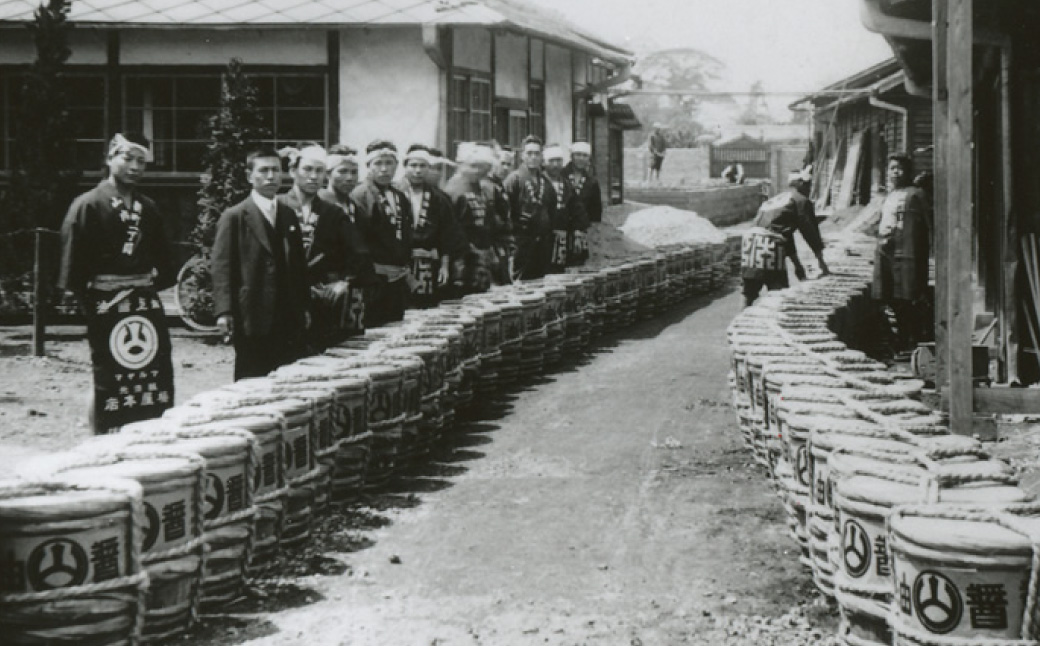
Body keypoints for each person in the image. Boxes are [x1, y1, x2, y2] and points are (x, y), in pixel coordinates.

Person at [58, 132, 176, 433]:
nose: (135, 166)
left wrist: (148, 284)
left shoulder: (148, 207)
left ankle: (148, 432)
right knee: (110, 374)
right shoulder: (88, 204)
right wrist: (86, 299)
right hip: (105, 300)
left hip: (143, 301)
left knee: (150, 370)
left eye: (141, 161)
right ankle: (102, 433)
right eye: (127, 158)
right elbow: (73, 262)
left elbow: (165, 260)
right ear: (110, 159)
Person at [211, 147, 309, 380]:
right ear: (249, 176)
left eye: (276, 170)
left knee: (287, 376)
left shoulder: (287, 214)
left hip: (287, 313)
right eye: (263, 170)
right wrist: (224, 312)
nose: (270, 176)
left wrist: (304, 306)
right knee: (252, 376)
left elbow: (298, 266)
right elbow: (222, 266)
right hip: (252, 314)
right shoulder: (235, 216)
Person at [278, 143, 373, 348]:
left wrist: (345, 282)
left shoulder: (334, 213)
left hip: (323, 299)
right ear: (293, 171)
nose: (313, 176)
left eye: (319, 171)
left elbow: (360, 253)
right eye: (307, 169)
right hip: (284, 298)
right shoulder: (277, 206)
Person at [741, 168, 829, 307]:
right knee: (778, 294)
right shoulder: (800, 200)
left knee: (749, 295)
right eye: (807, 184)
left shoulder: (776, 199)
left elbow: (784, 235)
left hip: (750, 245)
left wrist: (797, 265)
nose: (809, 188)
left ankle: (738, 325)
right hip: (768, 244)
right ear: (799, 183)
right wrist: (822, 263)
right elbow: (810, 231)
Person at [351, 139, 414, 327]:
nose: (384, 169)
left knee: (395, 326)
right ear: (368, 166)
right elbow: (358, 239)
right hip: (375, 277)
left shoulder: (399, 195)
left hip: (398, 275)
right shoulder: (361, 195)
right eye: (378, 163)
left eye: (389, 163)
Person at [872, 154, 931, 354]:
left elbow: (929, 224)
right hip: (886, 253)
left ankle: (912, 342)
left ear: (908, 171)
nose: (895, 173)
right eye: (892, 168)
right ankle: (900, 340)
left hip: (907, 255)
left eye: (900, 168)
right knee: (890, 298)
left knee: (908, 297)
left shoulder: (916, 194)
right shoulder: (889, 196)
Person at [396, 144, 466, 307]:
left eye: (423, 166)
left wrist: (444, 265)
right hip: (401, 264)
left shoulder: (439, 198)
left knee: (427, 308)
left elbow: (447, 234)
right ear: (405, 167)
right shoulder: (394, 193)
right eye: (413, 165)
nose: (418, 171)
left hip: (429, 262)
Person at [446, 143, 512, 293]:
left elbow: (490, 222)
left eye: (483, 168)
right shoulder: (454, 190)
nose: (478, 171)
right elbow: (453, 229)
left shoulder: (482, 188)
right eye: (474, 166)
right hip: (464, 257)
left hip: (482, 254)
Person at [504, 135, 556, 281]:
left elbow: (551, 210)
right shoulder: (513, 180)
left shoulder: (546, 183)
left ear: (541, 157)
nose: (533, 157)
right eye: (529, 153)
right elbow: (506, 212)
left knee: (540, 281)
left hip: (542, 243)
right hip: (521, 242)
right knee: (520, 281)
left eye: (537, 154)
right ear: (522, 156)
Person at [542, 144, 587, 272]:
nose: (555, 165)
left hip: (562, 237)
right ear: (544, 163)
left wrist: (578, 229)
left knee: (559, 271)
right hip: (543, 237)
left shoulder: (566, 184)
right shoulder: (539, 182)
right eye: (551, 161)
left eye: (558, 161)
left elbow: (577, 209)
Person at [320, 144, 360, 221]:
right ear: (328, 173)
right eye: (342, 171)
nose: (349, 178)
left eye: (354, 172)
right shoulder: (319, 205)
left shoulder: (356, 207)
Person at [564, 141, 602, 223]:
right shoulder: (561, 175)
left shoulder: (592, 182)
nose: (581, 158)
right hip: (561, 229)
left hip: (583, 230)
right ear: (572, 156)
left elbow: (596, 213)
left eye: (585, 156)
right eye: (578, 154)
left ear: (589, 158)